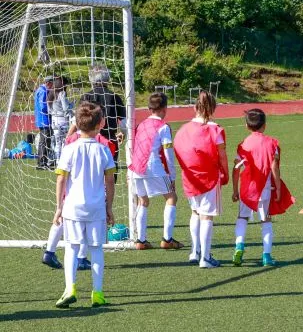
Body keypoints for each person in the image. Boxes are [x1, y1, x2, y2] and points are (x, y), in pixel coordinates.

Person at [53, 102, 115, 308]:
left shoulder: (69, 149)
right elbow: (109, 181)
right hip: (96, 207)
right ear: (101, 124)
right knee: (96, 249)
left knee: (71, 248)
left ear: (77, 124)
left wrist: (58, 208)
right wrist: (109, 208)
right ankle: (97, 293)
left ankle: (69, 288)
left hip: (72, 208)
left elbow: (61, 180)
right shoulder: (104, 151)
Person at [42, 113, 117, 270]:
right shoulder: (102, 143)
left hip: (69, 189)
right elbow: (108, 172)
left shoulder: (71, 139)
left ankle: (49, 251)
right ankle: (81, 258)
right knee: (85, 225)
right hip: (88, 192)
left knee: (63, 218)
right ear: (99, 122)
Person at [231, 109, 295, 267]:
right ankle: (266, 255)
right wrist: (278, 188)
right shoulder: (272, 143)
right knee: (265, 220)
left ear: (246, 126)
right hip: (264, 189)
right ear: (265, 125)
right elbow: (274, 167)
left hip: (247, 188)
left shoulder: (243, 145)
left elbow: (236, 168)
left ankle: (239, 246)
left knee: (242, 217)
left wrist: (234, 190)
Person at [174, 91, 229, 268]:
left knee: (195, 213)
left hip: (190, 177)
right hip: (209, 177)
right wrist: (225, 173)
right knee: (207, 216)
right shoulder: (215, 129)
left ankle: (195, 251)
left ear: (194, 107)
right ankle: (205, 257)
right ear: (212, 108)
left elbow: (178, 151)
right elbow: (222, 156)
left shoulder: (183, 129)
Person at [128, 92, 181, 250]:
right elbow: (168, 154)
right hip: (153, 166)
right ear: (165, 108)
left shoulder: (141, 125)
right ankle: (167, 238)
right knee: (171, 197)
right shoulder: (164, 127)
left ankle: (141, 240)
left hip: (136, 168)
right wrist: (172, 175)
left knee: (143, 201)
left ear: (150, 108)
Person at [75, 65, 126, 171]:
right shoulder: (115, 97)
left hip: (88, 140)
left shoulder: (86, 97)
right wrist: (123, 133)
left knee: (89, 172)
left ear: (91, 78)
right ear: (107, 78)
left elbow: (76, 122)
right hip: (109, 140)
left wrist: (69, 138)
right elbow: (124, 124)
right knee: (109, 174)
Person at [34, 75, 56, 170]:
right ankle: (42, 163)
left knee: (45, 141)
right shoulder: (43, 91)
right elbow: (43, 107)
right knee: (44, 141)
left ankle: (43, 162)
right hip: (44, 120)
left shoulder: (40, 90)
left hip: (43, 120)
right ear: (48, 83)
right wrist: (52, 110)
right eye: (52, 84)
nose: (53, 87)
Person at [50, 76, 74, 161]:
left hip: (54, 120)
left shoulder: (51, 93)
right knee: (64, 141)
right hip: (62, 121)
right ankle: (63, 160)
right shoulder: (62, 93)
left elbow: (49, 109)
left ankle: (57, 161)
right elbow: (65, 108)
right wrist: (72, 105)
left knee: (57, 142)